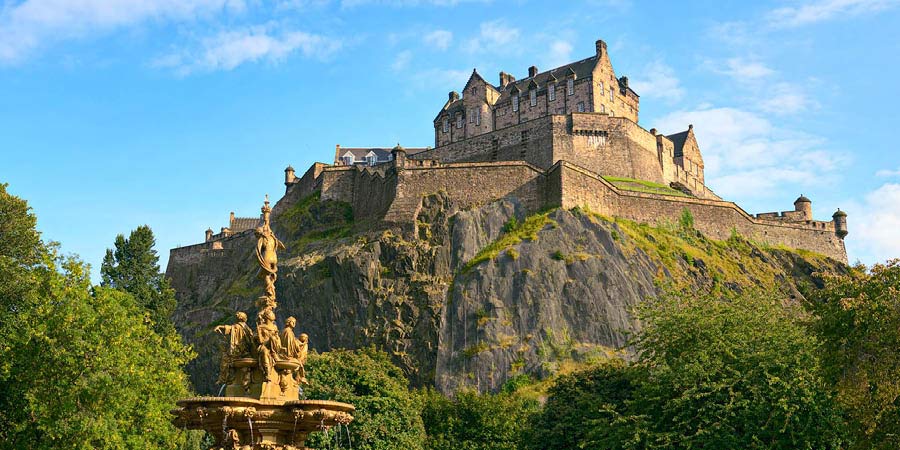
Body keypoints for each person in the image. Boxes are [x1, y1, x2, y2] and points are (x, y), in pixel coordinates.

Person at [214, 312, 254, 384]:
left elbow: (229, 328)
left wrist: (220, 326)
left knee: (225, 359)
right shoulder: (247, 328)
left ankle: (224, 378)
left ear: (239, 318)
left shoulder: (237, 327)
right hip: (246, 350)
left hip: (238, 350)